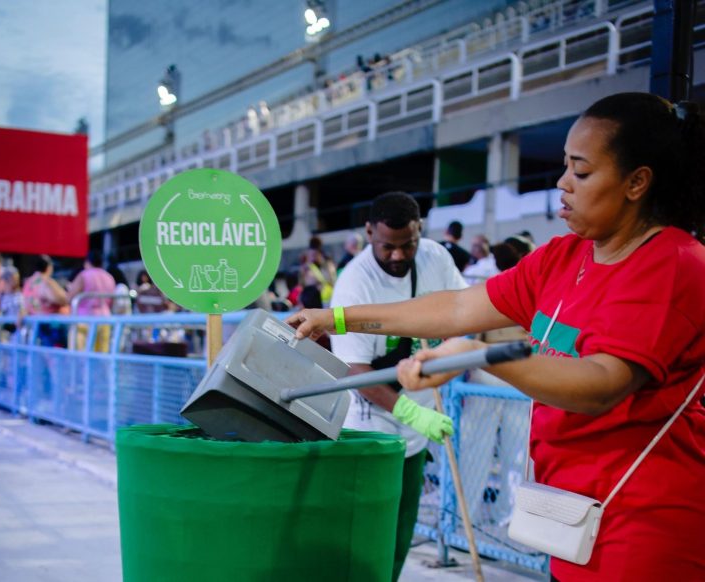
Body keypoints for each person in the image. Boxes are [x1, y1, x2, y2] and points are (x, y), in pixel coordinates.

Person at [288, 93, 705, 581]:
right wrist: (335, 319)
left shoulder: (674, 265)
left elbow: (602, 383)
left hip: (645, 527)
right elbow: (459, 306)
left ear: (637, 182)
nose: (562, 183)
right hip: (572, 518)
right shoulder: (564, 257)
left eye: (582, 172)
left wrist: (481, 354)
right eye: (564, 167)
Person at [329, 191, 466, 581]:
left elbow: (461, 307)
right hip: (370, 423)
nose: (398, 256)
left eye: (408, 245)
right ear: (369, 232)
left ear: (419, 230)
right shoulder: (355, 283)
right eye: (387, 246)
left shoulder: (436, 257)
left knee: (401, 531)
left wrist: (451, 352)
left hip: (419, 419)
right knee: (369, 534)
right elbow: (354, 371)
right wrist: (410, 412)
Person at [67, 251, 116, 352]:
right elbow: (111, 301)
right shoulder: (109, 277)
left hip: (84, 320)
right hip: (105, 319)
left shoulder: (84, 275)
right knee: (102, 354)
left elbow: (70, 297)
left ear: (87, 262)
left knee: (82, 355)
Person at [23, 255, 70, 347]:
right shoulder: (45, 281)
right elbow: (61, 299)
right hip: (49, 325)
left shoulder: (28, 282)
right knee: (54, 356)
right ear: (48, 267)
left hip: (34, 324)